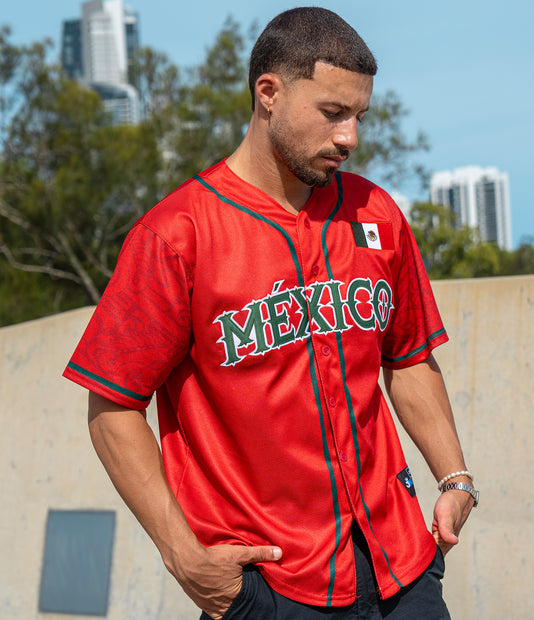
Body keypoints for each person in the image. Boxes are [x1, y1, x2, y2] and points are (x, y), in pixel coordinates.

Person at [64, 7, 477, 619]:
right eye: (333, 113)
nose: (350, 138)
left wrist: (455, 478)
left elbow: (409, 357)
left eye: (359, 115)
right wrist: (183, 555)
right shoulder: (177, 234)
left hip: (403, 567)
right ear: (269, 93)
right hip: (274, 589)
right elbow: (114, 406)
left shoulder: (376, 213)